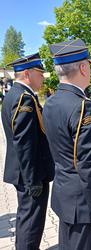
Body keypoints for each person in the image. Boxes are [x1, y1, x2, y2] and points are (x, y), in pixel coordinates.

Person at [43, 39, 91, 249]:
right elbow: (90, 166)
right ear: (83, 67)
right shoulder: (83, 108)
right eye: (89, 65)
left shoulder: (52, 102)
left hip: (66, 197)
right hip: (85, 205)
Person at [1, 53, 54, 250]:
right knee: (31, 222)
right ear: (26, 73)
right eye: (39, 73)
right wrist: (32, 181)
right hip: (30, 174)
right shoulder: (23, 99)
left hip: (26, 171)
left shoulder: (17, 94)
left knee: (28, 219)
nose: (42, 78)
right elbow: (24, 143)